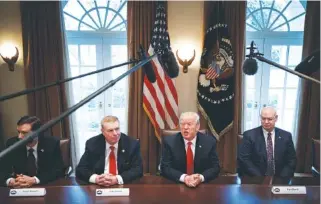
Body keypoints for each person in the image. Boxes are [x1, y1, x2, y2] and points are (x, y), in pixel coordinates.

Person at [76, 116, 143, 186]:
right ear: (103, 131)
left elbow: (138, 170)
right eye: (110, 130)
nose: (115, 133)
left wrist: (117, 179)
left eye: (117, 129)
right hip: (99, 185)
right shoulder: (92, 143)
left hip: (122, 184)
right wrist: (96, 178)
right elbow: (81, 169)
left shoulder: (131, 144)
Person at [1, 116, 64, 187]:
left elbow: (58, 171)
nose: (19, 136)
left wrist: (34, 180)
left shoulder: (51, 143)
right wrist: (10, 181)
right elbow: (2, 170)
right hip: (19, 186)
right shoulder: (12, 143)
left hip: (44, 185)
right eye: (18, 132)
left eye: (24, 133)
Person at [160, 112, 220, 187]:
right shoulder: (170, 142)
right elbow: (165, 167)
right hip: (177, 185)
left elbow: (215, 167)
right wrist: (184, 178)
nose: (185, 127)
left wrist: (200, 178)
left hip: (202, 186)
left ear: (197, 126)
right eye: (182, 124)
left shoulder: (209, 142)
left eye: (189, 124)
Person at [238, 106, 297, 177]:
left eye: (269, 119)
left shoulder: (286, 136)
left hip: (280, 177)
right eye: (263, 118)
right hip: (255, 177)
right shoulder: (249, 135)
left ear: (276, 118)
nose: (266, 122)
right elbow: (244, 160)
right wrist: (261, 178)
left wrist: (283, 177)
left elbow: (291, 160)